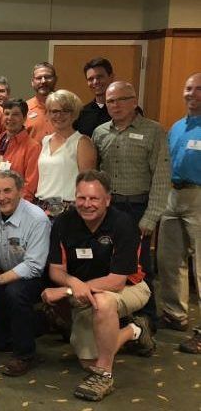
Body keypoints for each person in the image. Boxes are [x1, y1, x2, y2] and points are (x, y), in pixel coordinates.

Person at [42, 170, 154, 402]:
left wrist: (68, 290)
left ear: (107, 200)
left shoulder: (123, 224)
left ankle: (104, 375)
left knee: (103, 303)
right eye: (81, 198)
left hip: (130, 288)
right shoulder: (63, 223)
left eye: (94, 198)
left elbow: (117, 280)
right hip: (86, 294)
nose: (87, 204)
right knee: (87, 362)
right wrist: (72, 282)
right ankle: (135, 330)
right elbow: (56, 270)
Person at [93, 80, 169, 327]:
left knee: (140, 266)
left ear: (134, 101)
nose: (115, 105)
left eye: (121, 99)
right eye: (111, 100)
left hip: (137, 208)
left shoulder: (154, 131)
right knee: (109, 264)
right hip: (108, 209)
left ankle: (146, 320)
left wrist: (151, 216)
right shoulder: (100, 132)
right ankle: (116, 317)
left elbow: (161, 175)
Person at [0, 170, 50, 375]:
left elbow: (33, 265)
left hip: (34, 276)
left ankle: (25, 355)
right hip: (3, 273)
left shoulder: (37, 219)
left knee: (15, 292)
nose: (1, 197)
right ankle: (40, 321)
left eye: (7, 191)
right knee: (0, 343)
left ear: (20, 191)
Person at [158, 72, 201, 352]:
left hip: (199, 196)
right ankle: (175, 314)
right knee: (169, 259)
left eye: (199, 89)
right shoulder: (176, 127)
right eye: (189, 88)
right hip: (171, 195)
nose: (192, 94)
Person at [35, 90, 96, 218]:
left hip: (68, 211)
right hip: (40, 209)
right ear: (48, 114)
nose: (59, 115)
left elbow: (88, 183)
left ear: (74, 114)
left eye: (65, 110)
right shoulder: (45, 141)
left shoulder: (82, 142)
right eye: (54, 111)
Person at [0, 99, 41, 201]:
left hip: (18, 206)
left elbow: (30, 186)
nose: (10, 118)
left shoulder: (32, 147)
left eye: (15, 114)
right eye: (7, 114)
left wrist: (18, 209)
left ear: (24, 118)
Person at [74, 57, 115, 137]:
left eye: (99, 77)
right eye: (90, 79)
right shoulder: (80, 113)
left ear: (111, 77)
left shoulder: (127, 110)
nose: (95, 82)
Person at [26, 62, 58, 142]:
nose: (43, 81)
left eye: (47, 77)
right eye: (39, 78)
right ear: (32, 82)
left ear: (55, 79)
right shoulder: (24, 108)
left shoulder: (67, 106)